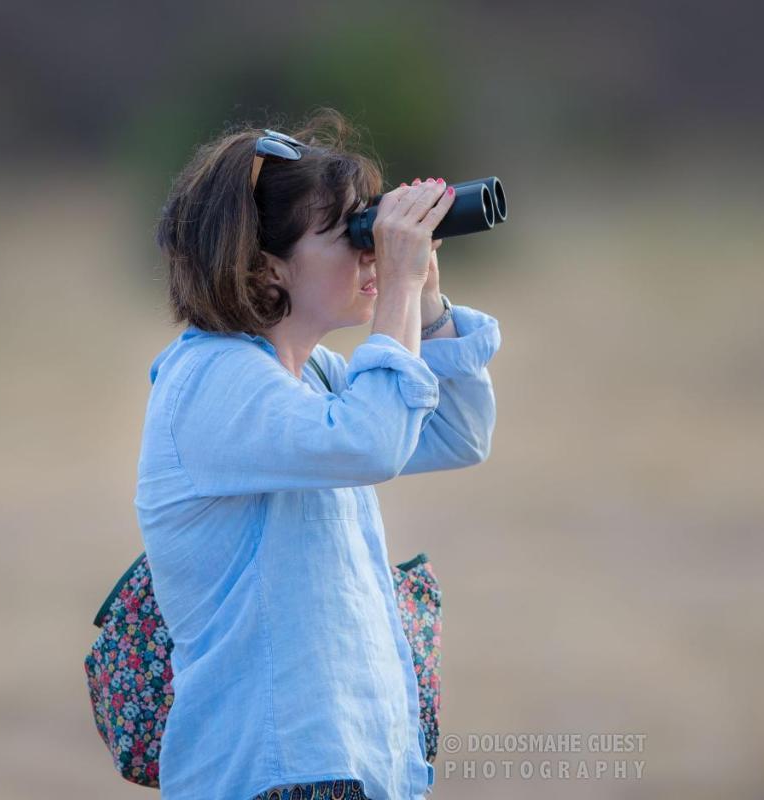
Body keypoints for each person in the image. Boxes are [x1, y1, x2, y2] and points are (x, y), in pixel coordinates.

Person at [133, 108, 501, 800]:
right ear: (265, 266)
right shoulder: (213, 380)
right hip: (274, 768)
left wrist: (421, 294)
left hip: (344, 761)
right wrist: (392, 281)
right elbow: (371, 443)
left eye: (373, 230)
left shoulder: (317, 375)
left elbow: (456, 432)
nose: (372, 252)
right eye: (351, 235)